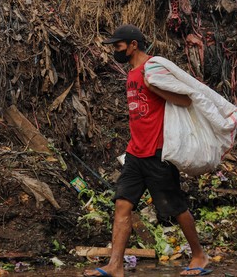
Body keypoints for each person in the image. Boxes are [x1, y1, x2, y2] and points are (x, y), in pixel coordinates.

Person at [83, 24, 211, 277]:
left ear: (133, 44)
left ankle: (199, 255)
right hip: (135, 153)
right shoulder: (131, 73)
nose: (115, 51)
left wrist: (156, 88)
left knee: (175, 206)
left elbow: (186, 99)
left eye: (118, 46)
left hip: (157, 153)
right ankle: (115, 265)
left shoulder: (154, 69)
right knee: (122, 204)